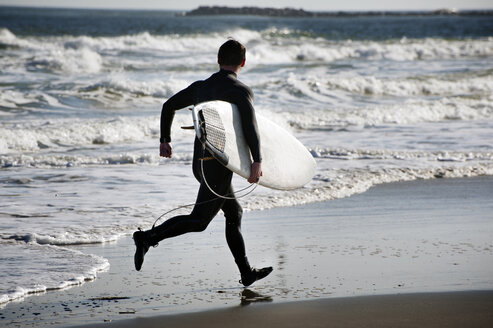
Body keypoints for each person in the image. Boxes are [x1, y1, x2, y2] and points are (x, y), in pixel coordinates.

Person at [133, 39, 273, 287]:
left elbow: (168, 106)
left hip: (200, 163)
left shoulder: (200, 88)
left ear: (218, 60)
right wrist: (257, 160)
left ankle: (246, 272)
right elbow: (251, 128)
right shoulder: (240, 90)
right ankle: (146, 237)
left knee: (234, 212)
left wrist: (165, 140)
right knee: (199, 221)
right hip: (218, 165)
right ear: (243, 62)